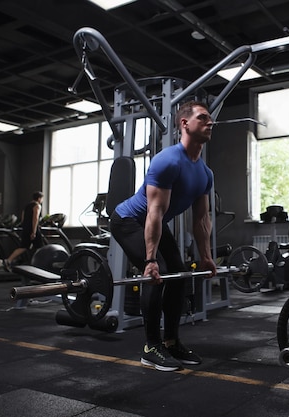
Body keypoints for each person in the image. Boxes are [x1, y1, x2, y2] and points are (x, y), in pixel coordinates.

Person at [109, 100, 218, 372]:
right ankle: (150, 346)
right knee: (159, 275)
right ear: (185, 124)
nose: (210, 122)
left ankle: (171, 341)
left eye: (210, 118)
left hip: (152, 222)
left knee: (179, 275)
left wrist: (206, 256)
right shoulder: (167, 161)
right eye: (203, 118)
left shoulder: (205, 173)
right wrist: (150, 261)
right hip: (128, 221)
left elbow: (201, 219)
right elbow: (154, 213)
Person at [3, 191, 44, 272]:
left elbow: (22, 218)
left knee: (24, 247)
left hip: (25, 228)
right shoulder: (37, 206)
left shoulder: (27, 206)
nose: (42, 200)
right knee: (40, 247)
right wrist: (34, 231)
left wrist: (25, 228)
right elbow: (35, 218)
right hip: (32, 228)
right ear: (39, 198)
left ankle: (8, 260)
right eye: (42, 199)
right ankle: (39, 264)